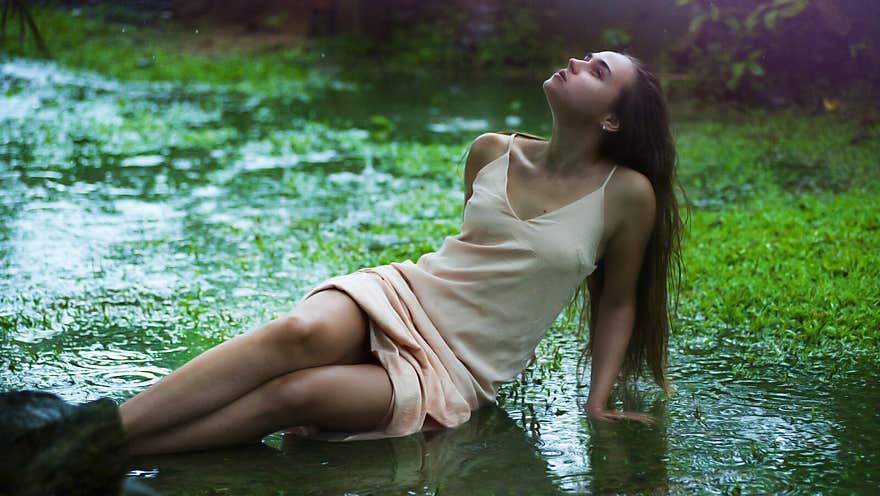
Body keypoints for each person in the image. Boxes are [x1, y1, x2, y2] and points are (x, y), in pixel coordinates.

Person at [120, 50, 688, 456]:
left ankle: (110, 457)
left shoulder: (627, 195)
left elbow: (617, 302)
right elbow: (479, 255)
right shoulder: (490, 150)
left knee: (297, 394)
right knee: (297, 334)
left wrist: (597, 401)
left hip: (459, 368)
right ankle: (101, 435)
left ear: (611, 118)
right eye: (587, 56)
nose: (577, 61)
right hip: (405, 293)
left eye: (598, 70)